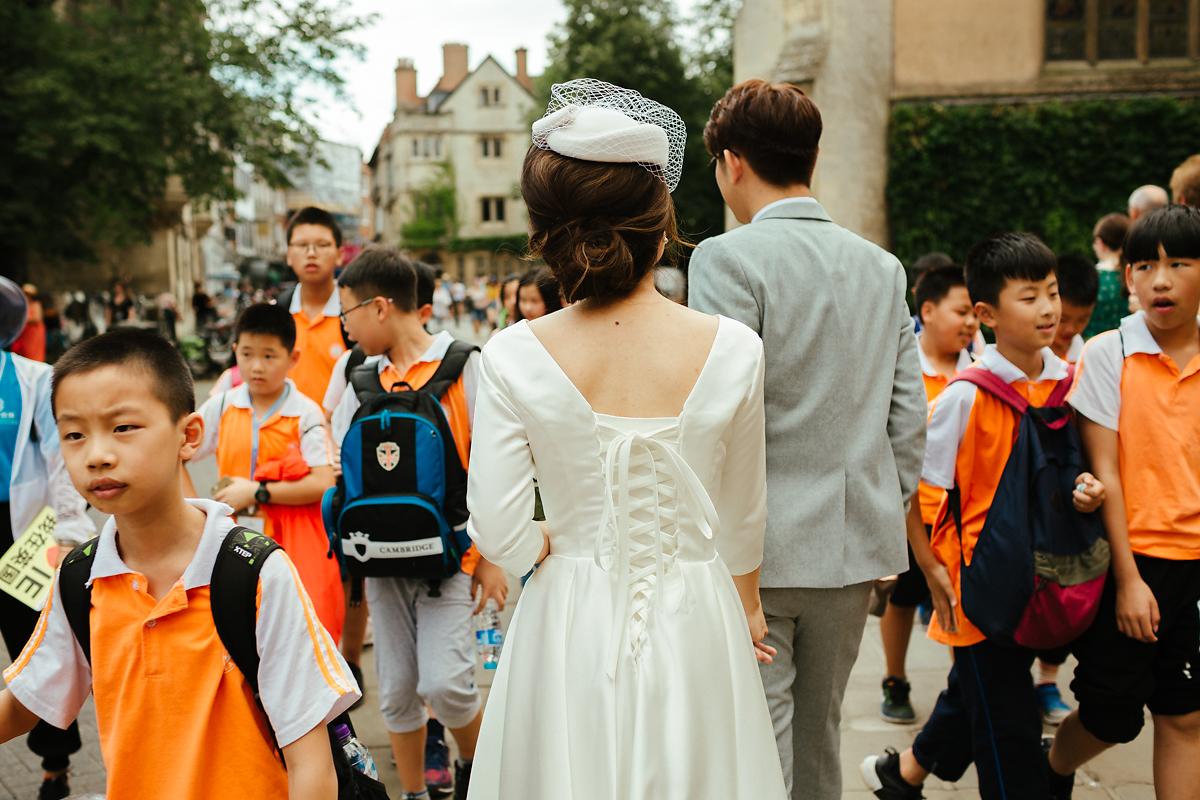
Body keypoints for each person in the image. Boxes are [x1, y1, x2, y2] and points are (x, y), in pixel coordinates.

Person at [465, 77, 785, 800]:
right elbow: (741, 520)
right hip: (699, 611)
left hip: (567, 621)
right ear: (661, 220)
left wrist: (547, 542)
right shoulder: (734, 349)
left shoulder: (515, 353)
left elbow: (500, 529)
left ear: (548, 230)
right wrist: (749, 605)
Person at [688, 78, 927, 800]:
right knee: (821, 732)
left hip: (757, 550)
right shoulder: (880, 267)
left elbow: (722, 415)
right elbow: (908, 415)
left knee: (758, 738)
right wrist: (888, 507)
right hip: (853, 543)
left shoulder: (728, 260)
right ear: (811, 157)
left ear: (732, 162)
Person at [0, 328, 360, 799]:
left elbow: (311, 765)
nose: (97, 455)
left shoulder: (253, 573)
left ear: (188, 435)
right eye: (73, 434)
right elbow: (27, 701)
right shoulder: (82, 579)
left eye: (123, 427)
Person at [861, 232, 1106, 800]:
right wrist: (928, 565)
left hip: (1047, 579)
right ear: (986, 314)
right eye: (1029, 297)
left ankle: (901, 777)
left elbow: (1079, 469)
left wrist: (1088, 491)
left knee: (974, 695)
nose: (1048, 308)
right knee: (1007, 732)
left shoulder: (1071, 385)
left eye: (1050, 292)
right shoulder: (964, 397)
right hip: (977, 587)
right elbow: (918, 488)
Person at [331, 247, 508, 800]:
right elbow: (342, 467)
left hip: (452, 556)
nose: (345, 327)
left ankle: (476, 768)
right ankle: (411, 793)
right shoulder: (357, 378)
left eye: (348, 314)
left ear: (380, 307)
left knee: (447, 684)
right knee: (398, 691)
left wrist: (493, 556)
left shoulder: (463, 364)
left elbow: (496, 462)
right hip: (379, 562)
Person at [1048, 205, 1200, 800]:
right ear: (1128, 276)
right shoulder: (1110, 352)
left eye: (1179, 264)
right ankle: (1055, 767)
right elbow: (1103, 469)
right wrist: (1131, 579)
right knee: (1112, 713)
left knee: (1184, 714)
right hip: (1127, 562)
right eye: (1145, 266)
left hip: (1194, 568)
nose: (1160, 280)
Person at [186, 303, 345, 641]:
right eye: (247, 354)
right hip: (232, 543)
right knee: (238, 631)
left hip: (295, 544)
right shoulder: (222, 405)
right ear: (234, 353)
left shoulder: (306, 413)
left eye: (270, 356)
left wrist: (257, 492)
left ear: (293, 358)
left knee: (298, 630)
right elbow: (176, 451)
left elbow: (322, 481)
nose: (256, 367)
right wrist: (193, 510)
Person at [0, 276, 95, 800]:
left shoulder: (35, 379)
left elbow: (61, 459)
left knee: (36, 651)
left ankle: (54, 765)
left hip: (22, 533)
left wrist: (68, 531)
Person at [879, 264, 977, 725]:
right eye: (962, 311)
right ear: (929, 311)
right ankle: (894, 680)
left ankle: (964, 692)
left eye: (975, 313)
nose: (972, 322)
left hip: (961, 523)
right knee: (902, 597)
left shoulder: (978, 371)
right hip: (910, 515)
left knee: (962, 605)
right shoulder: (903, 369)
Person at [282, 206, 348, 405]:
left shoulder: (354, 314)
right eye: (302, 245)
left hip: (340, 433)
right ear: (288, 255)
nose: (311, 253)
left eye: (322, 245)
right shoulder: (278, 314)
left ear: (339, 254)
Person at [1084, 212, 1131, 339]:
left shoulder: (1090, 278)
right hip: (1128, 349)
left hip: (1091, 347)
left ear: (1100, 242)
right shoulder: (1134, 277)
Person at [1052, 253, 1099, 364]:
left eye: (1082, 320)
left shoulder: (1083, 354)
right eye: (1063, 319)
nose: (1071, 329)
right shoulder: (1027, 354)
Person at [10, 284, 47, 363]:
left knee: (33, 352)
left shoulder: (35, 304)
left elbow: (37, 318)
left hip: (33, 332)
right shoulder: (22, 304)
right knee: (23, 351)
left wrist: (22, 319)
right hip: (24, 332)